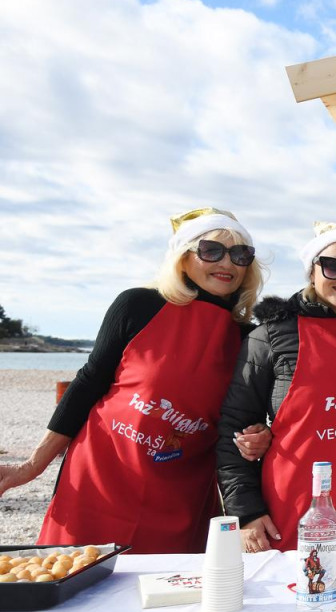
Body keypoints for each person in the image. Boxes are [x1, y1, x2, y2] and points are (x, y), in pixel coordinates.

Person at [0, 208, 262, 553]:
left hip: (182, 491)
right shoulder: (138, 305)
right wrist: (32, 466)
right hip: (100, 477)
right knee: (75, 575)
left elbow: (243, 419)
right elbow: (88, 384)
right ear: (182, 259)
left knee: (171, 584)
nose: (227, 263)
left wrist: (258, 435)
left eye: (240, 254)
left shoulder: (249, 338)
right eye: (211, 250)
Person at [216, 223, 336, 552]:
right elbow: (234, 428)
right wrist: (246, 512)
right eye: (333, 266)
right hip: (291, 512)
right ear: (312, 271)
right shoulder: (271, 337)